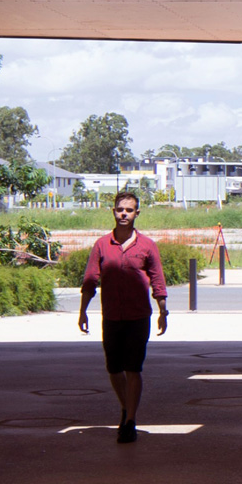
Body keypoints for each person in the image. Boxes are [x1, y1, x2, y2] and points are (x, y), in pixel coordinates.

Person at [77, 189, 168, 442]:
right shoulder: (102, 245)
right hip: (112, 317)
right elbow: (90, 279)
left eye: (129, 210)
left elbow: (158, 280)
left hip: (139, 317)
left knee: (133, 368)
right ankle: (126, 406)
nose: (124, 214)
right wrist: (83, 311)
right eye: (120, 210)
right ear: (113, 212)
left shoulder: (148, 246)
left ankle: (130, 421)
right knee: (114, 369)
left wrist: (163, 311)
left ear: (137, 213)